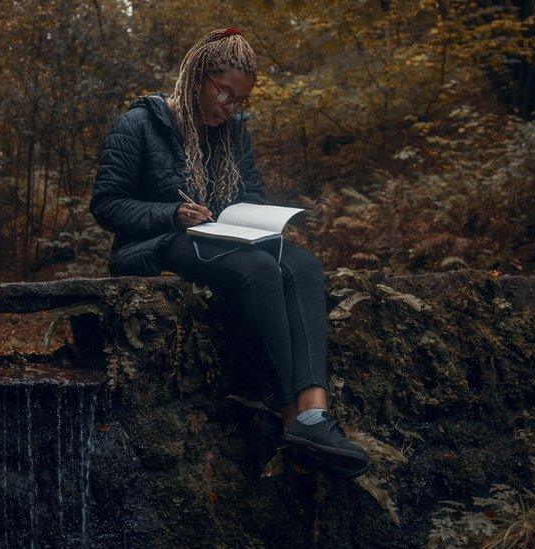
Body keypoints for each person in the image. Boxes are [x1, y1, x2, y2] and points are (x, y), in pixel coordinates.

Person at [88, 27, 370, 479]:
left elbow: (251, 191)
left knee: (301, 264)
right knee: (259, 270)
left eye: (240, 101)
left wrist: (253, 217)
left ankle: (316, 411)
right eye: (224, 93)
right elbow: (106, 205)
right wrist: (172, 213)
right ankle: (291, 417)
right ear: (197, 77)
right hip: (158, 242)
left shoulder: (232, 132)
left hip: (224, 236)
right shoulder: (138, 123)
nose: (230, 106)